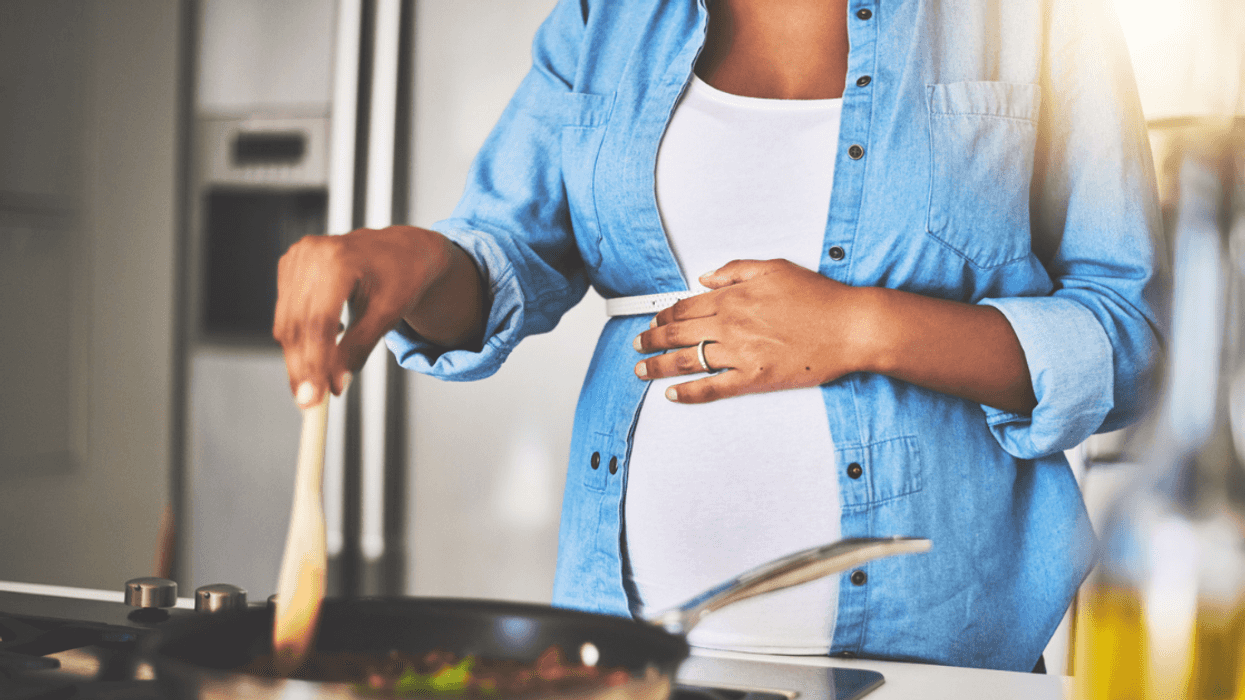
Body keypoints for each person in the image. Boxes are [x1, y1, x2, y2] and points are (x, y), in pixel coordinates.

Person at [273, 0, 1162, 672]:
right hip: (632, 657)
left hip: (933, 661)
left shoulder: (1032, 17)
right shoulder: (606, 17)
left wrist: (862, 326)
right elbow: (501, 259)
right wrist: (416, 260)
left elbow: (1131, 336)